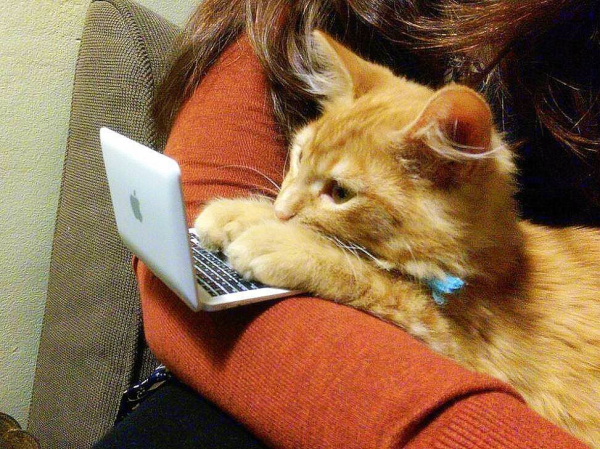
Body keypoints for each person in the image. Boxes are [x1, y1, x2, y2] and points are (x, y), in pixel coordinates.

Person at [98, 1, 599, 447]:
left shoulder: (486, 266)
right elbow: (197, 203)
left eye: (338, 192)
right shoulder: (292, 20)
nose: (284, 206)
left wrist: (339, 275)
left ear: (451, 168)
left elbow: (458, 328)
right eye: (296, 159)